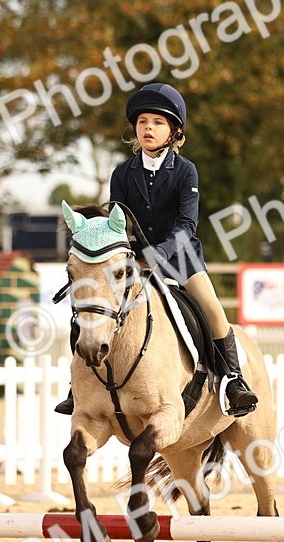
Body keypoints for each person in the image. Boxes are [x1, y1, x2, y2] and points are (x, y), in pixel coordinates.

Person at [56, 82, 258, 417]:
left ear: (174, 131)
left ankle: (233, 381)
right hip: (135, 261)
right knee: (90, 308)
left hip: (182, 259)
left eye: (158, 122)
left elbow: (186, 226)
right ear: (135, 128)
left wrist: (157, 254)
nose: (148, 128)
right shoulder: (123, 173)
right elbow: (117, 223)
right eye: (143, 122)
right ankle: (77, 386)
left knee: (213, 312)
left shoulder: (185, 171)